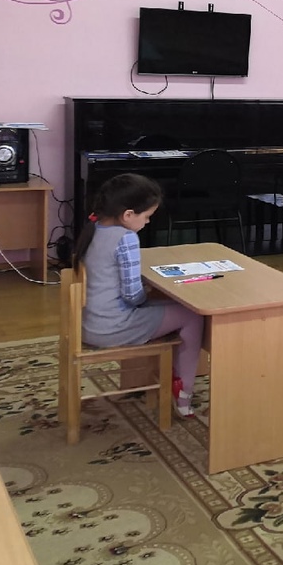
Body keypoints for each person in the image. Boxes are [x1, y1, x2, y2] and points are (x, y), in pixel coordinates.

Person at [72, 172, 205, 417]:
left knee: (169, 304)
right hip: (112, 328)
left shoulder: (95, 227)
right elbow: (132, 296)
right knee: (193, 315)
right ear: (128, 215)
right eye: (146, 217)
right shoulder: (126, 238)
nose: (148, 222)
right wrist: (148, 292)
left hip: (89, 324)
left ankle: (170, 380)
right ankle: (183, 392)